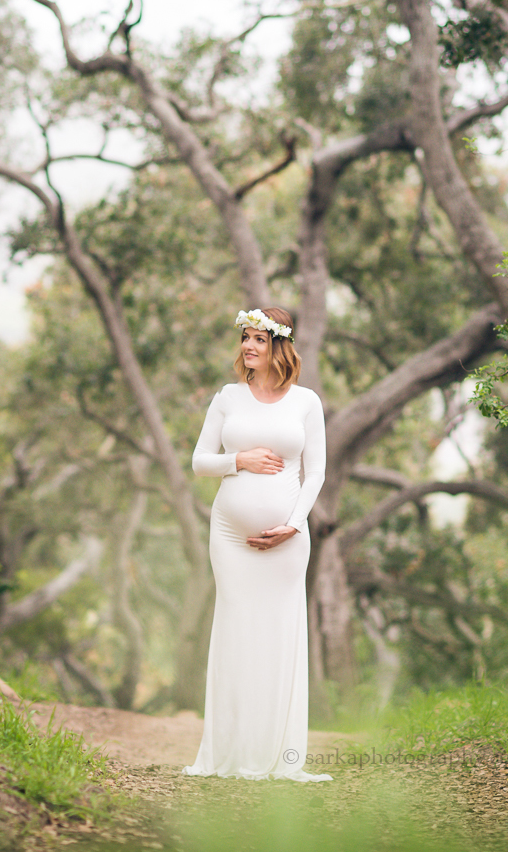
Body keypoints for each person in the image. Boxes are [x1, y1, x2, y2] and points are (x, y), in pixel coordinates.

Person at [183, 306, 331, 782]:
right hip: (230, 537)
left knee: (280, 637)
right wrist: (238, 460)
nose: (248, 347)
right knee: (236, 633)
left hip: (288, 540)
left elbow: (317, 472)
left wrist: (294, 523)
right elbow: (199, 461)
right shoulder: (227, 397)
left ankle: (279, 757)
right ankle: (228, 752)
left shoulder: (306, 402)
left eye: (259, 340)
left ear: (280, 347)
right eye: (245, 338)